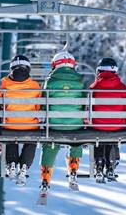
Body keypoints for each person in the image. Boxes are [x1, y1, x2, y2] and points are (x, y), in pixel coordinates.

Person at [40, 51, 86, 192]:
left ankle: (46, 177)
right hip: (75, 126)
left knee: (50, 144)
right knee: (76, 140)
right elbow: (84, 104)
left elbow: (43, 105)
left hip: (54, 125)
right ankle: (73, 168)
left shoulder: (50, 81)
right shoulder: (80, 82)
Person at [0, 55, 42, 186]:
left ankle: (11, 164)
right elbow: (39, 107)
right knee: (31, 141)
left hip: (9, 125)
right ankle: (24, 166)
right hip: (30, 126)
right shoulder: (35, 86)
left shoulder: (4, 83)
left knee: (10, 139)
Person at [89, 57, 126, 183]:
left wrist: (88, 123)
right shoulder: (123, 88)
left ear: (99, 71)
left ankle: (99, 164)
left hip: (97, 125)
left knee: (99, 137)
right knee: (112, 134)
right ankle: (110, 165)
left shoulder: (93, 87)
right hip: (117, 126)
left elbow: (88, 109)